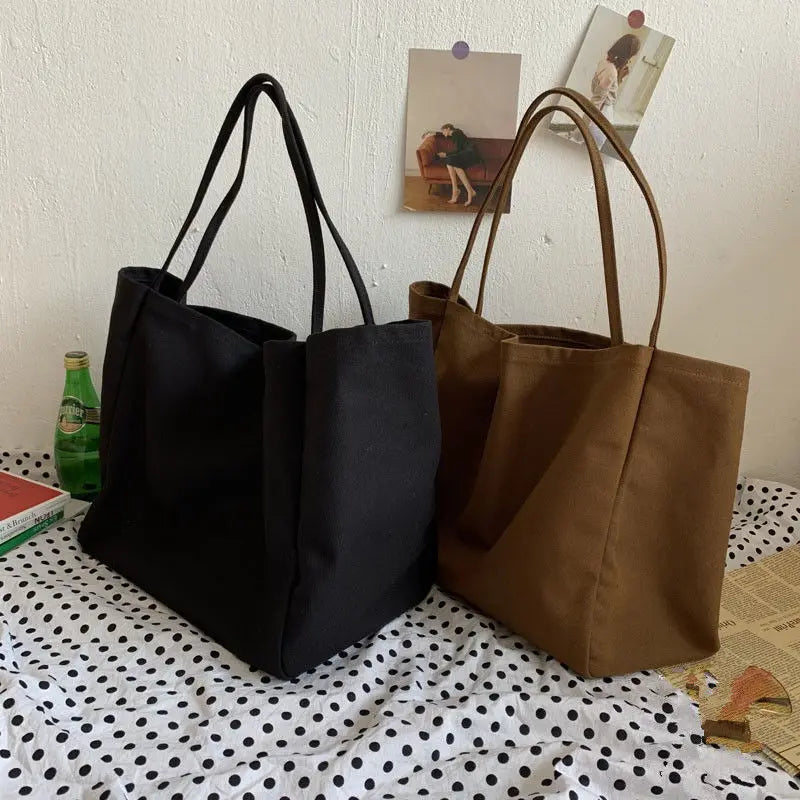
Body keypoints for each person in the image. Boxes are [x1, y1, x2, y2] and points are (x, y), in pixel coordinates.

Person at [574, 33, 641, 149]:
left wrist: (619, 77)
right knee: (590, 148)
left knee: (582, 144)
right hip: (601, 114)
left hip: (598, 111)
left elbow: (599, 92)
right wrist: (587, 120)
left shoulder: (605, 64)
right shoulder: (611, 71)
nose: (630, 61)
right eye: (631, 57)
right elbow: (598, 98)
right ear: (628, 55)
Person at [437, 124, 480, 206]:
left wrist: (445, 154)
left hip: (470, 153)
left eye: (443, 131)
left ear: (448, 129)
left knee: (450, 160)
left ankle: (466, 191)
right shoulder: (456, 132)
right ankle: (458, 190)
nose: (442, 133)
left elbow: (458, 150)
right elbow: (459, 149)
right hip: (468, 153)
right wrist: (431, 133)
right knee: (450, 162)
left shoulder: (456, 134)